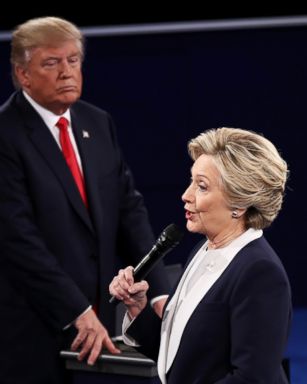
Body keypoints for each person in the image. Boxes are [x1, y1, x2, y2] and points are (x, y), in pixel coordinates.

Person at [0, 16, 169, 384]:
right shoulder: (6, 134)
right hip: (34, 330)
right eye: (51, 63)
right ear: (23, 74)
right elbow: (17, 239)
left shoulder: (97, 122)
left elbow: (130, 212)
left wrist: (159, 291)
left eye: (73, 61)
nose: (66, 72)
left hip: (102, 328)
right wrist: (75, 309)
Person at [109, 127, 292, 384]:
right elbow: (178, 357)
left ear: (239, 204)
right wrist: (138, 307)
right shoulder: (204, 249)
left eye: (202, 187)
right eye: (191, 181)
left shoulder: (260, 273)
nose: (186, 195)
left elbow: (252, 378)